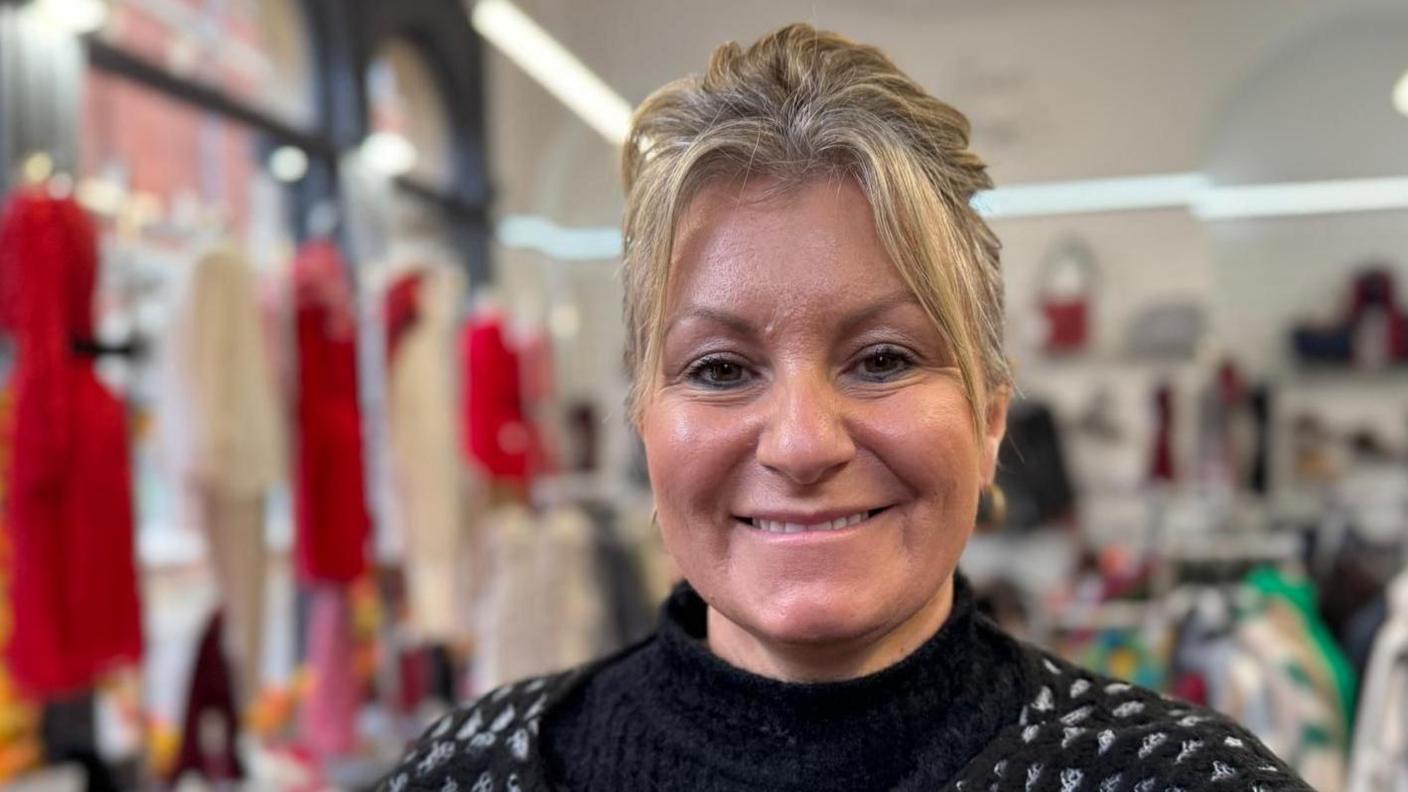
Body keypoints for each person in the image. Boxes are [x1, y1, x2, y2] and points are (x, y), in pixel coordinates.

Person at [381, 24, 1312, 792]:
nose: (800, 442)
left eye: (882, 359)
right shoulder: (467, 772)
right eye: (717, 370)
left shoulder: (1179, 781)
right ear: (644, 423)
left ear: (990, 419)